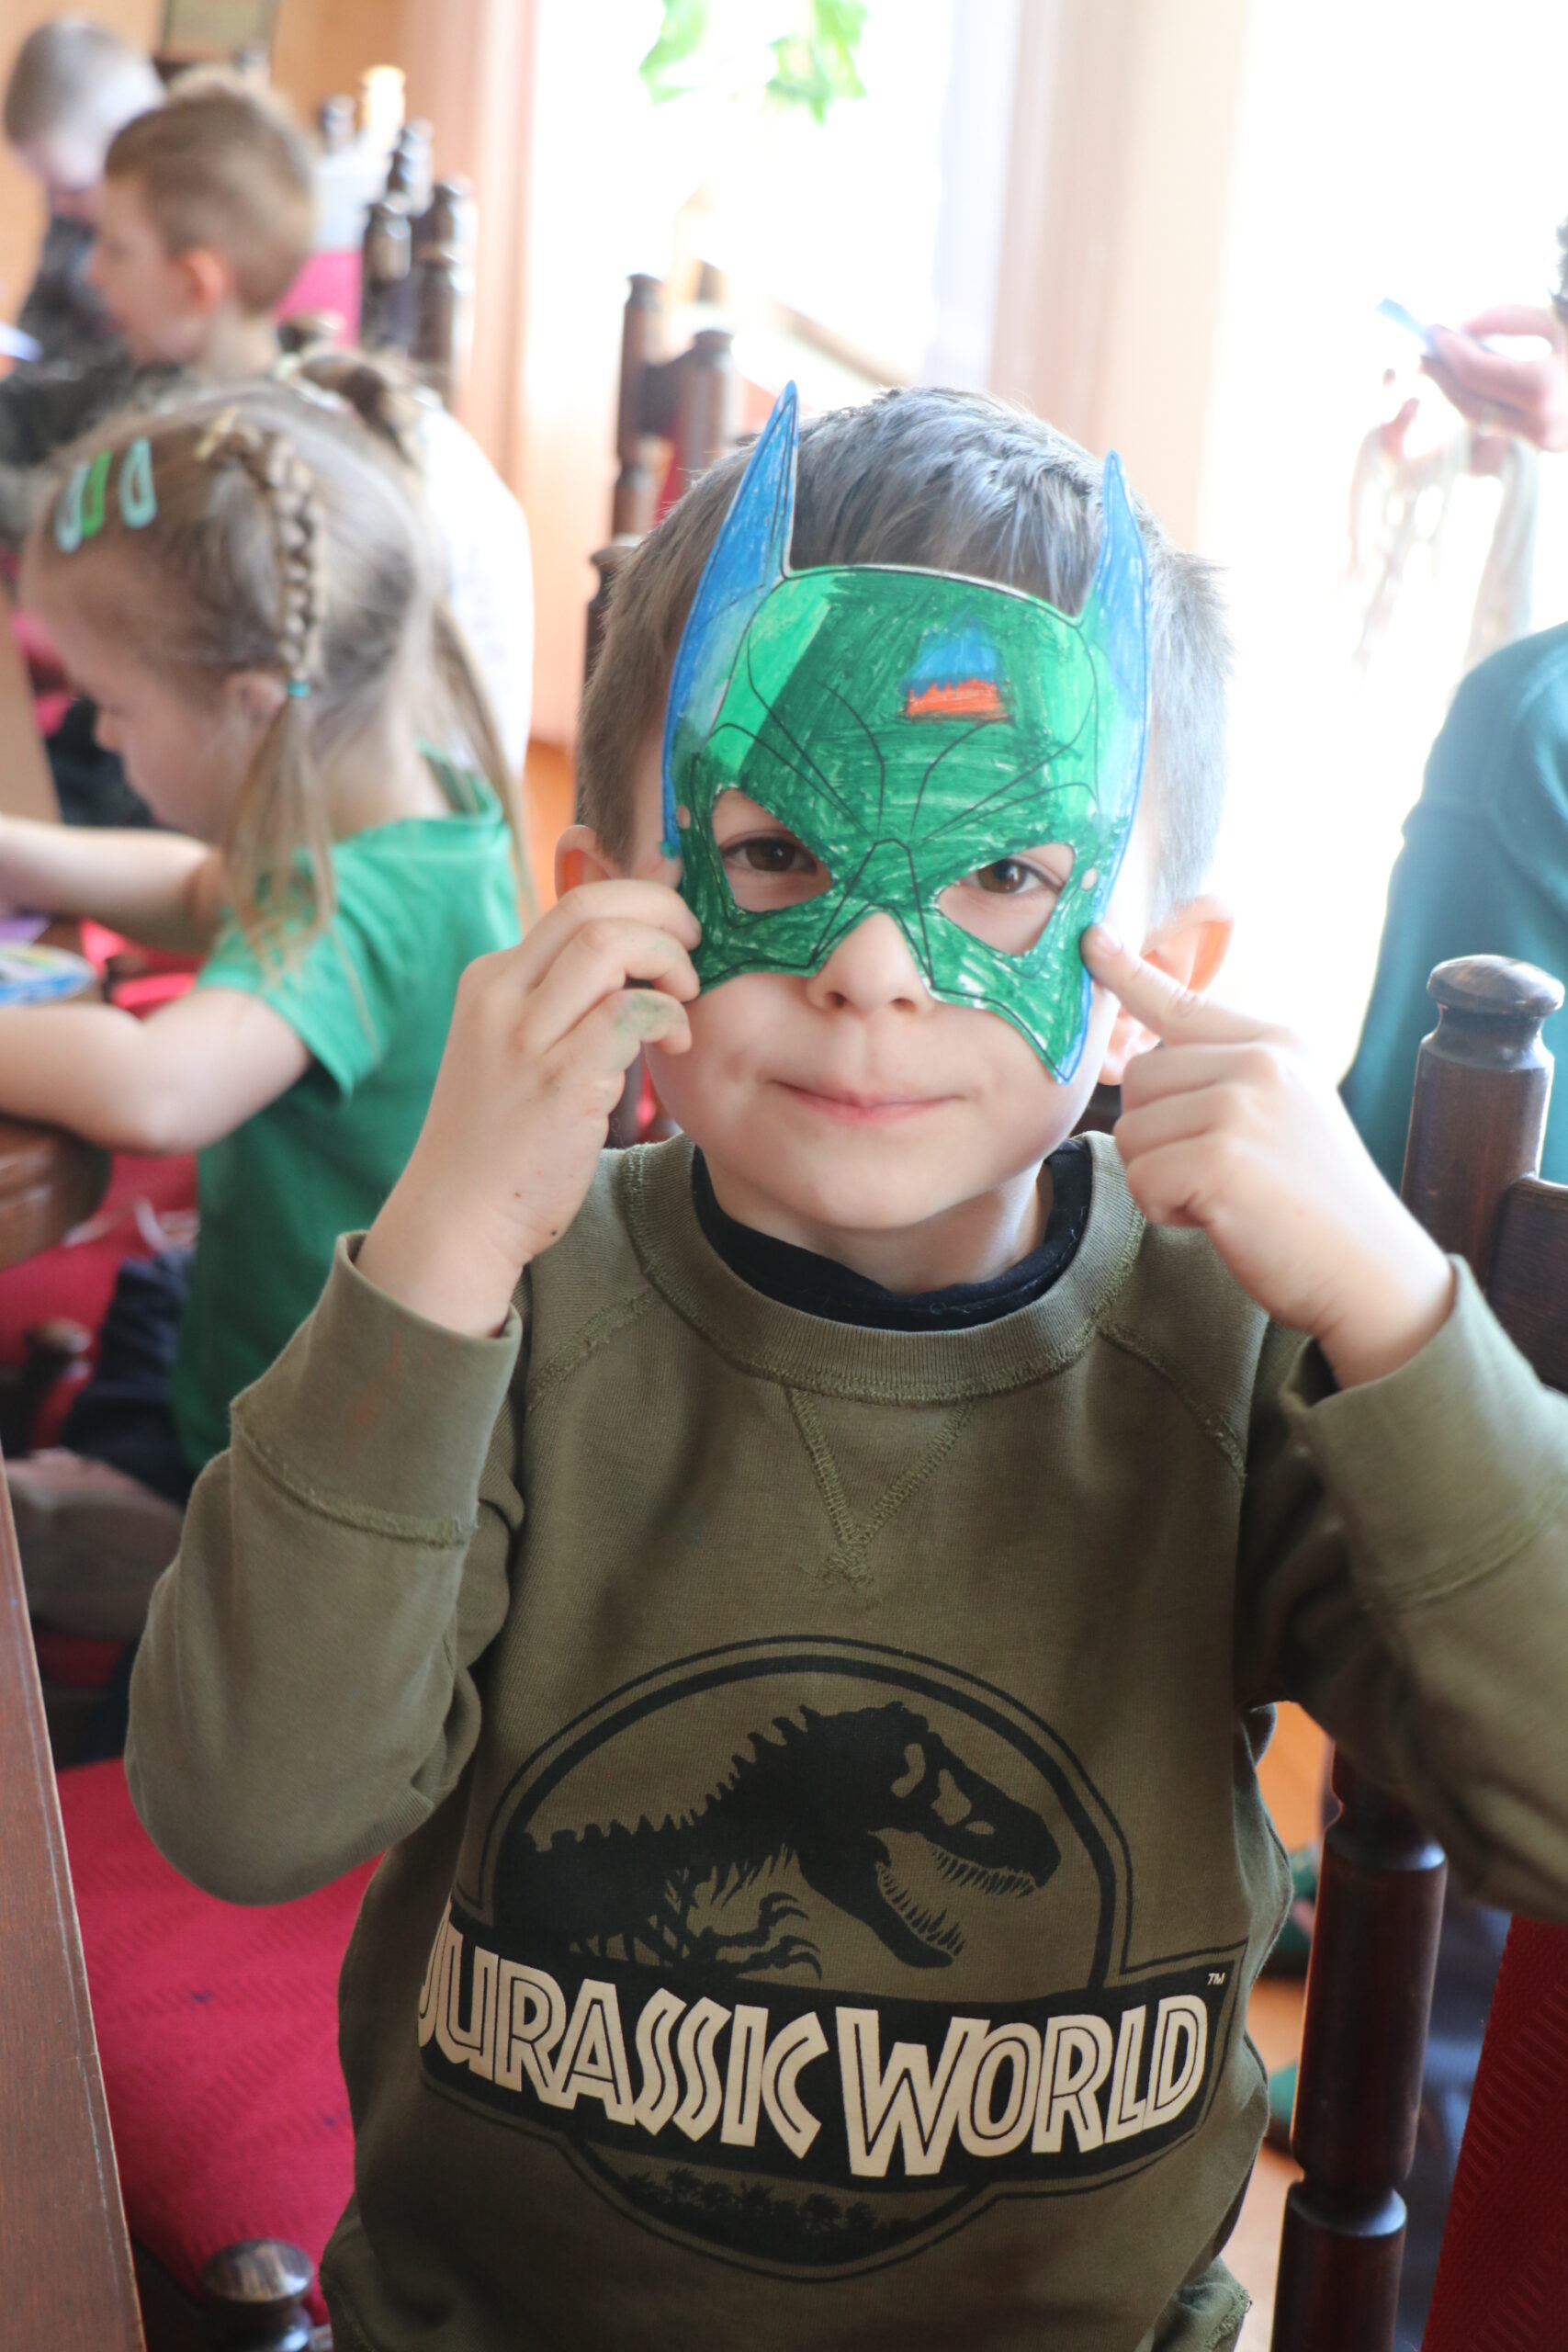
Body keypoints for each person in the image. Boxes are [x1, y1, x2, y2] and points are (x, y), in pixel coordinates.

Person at [120, 385, 1568, 2350]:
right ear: (601, 899)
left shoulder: (1237, 1353)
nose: (874, 964)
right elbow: (245, 1807)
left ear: (1172, 961)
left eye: (1003, 876)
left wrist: (1396, 1310)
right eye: (776, 847)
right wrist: (440, 1239)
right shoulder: (498, 1310)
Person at [5, 384, 525, 1652]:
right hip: (263, 1346)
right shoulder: (401, 804)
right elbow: (214, 893)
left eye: (110, 706)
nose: (96, 733)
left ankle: (166, 1569)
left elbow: (155, 1088)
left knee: (46, 1543)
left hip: (319, 1461)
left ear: (248, 704)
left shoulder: (368, 908)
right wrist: (19, 849)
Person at [1, 17, 163, 368]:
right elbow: (46, 295)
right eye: (48, 185)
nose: (58, 204)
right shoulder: (70, 199)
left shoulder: (166, 246)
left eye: (72, 188)